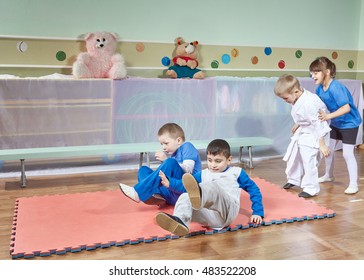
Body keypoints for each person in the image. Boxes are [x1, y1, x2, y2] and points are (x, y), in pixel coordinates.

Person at [155, 139, 264, 236]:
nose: (213, 165)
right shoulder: (203, 174)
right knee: (185, 195)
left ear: (229, 159)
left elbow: (254, 190)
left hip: (227, 211)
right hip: (211, 218)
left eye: (218, 161)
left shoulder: (236, 172)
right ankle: (181, 221)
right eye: (209, 160)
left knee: (212, 186)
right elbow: (184, 186)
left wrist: (257, 212)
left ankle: (200, 194)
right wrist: (170, 183)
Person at [309, 57, 362, 194]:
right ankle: (328, 175)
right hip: (336, 122)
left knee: (347, 154)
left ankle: (353, 184)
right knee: (328, 150)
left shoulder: (336, 87)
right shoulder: (320, 89)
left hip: (349, 123)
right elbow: (317, 107)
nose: (312, 76)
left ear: (326, 72)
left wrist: (327, 117)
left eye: (316, 72)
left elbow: (346, 108)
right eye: (311, 73)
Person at [274, 74, 331, 198]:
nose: (284, 101)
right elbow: (303, 115)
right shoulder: (296, 97)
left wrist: (322, 145)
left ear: (295, 91)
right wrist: (298, 124)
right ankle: (294, 179)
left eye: (285, 98)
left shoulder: (309, 102)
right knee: (295, 155)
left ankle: (311, 188)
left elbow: (318, 123)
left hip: (318, 132)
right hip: (306, 129)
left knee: (309, 159)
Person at [119, 123, 202, 206]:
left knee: (170, 162)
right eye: (162, 144)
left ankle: (139, 192)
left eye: (166, 143)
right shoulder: (173, 155)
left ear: (178, 141)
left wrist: (166, 160)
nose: (163, 147)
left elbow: (188, 170)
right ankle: (158, 197)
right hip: (171, 193)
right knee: (143, 170)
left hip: (184, 191)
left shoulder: (187, 146)